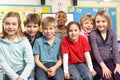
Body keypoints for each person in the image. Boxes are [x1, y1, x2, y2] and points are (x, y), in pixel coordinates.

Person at [0, 12, 34, 80]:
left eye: (14, 24)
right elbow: (2, 62)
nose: (10, 27)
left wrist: (22, 77)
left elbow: (30, 63)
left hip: (23, 72)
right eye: (7, 23)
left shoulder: (24, 41)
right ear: (3, 24)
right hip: (7, 73)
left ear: (18, 26)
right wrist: (16, 78)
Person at [89, 10, 120, 80]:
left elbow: (115, 50)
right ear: (95, 23)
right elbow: (95, 52)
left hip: (108, 60)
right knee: (108, 78)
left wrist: (118, 65)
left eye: (103, 21)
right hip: (97, 62)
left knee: (117, 76)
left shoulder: (112, 33)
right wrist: (103, 67)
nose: (100, 24)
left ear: (108, 22)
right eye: (98, 22)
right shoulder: (93, 34)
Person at [80, 14, 102, 80]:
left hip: (90, 60)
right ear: (81, 25)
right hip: (83, 61)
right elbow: (85, 54)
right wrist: (90, 68)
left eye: (91, 23)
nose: (89, 25)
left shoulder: (90, 34)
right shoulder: (82, 36)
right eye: (86, 23)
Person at [23, 13, 43, 80]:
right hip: (25, 64)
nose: (32, 29)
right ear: (25, 26)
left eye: (35, 26)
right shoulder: (21, 37)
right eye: (29, 26)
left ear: (39, 27)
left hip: (38, 63)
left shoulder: (42, 36)